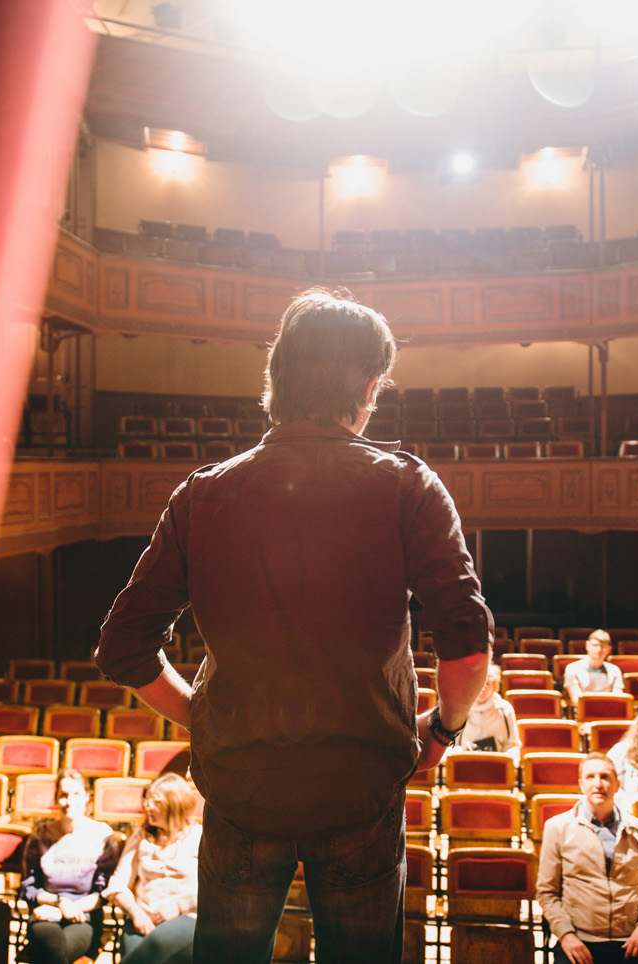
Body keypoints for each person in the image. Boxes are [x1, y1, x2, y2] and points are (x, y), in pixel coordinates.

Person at [95, 288, 493, 964]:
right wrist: (444, 728)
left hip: (242, 790)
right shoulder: (407, 486)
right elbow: (465, 642)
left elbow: (123, 646)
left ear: (276, 380)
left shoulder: (204, 493)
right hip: (360, 790)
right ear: (369, 387)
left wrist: (200, 718)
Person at [537, 752, 638, 964]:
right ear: (581, 784)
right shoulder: (558, 828)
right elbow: (547, 893)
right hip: (580, 943)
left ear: (617, 784)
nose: (598, 784)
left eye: (605, 777)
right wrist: (566, 935)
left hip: (631, 943)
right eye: (591, 777)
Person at [17, 770, 124, 964]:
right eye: (63, 795)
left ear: (87, 798)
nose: (69, 801)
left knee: (53, 953)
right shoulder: (40, 836)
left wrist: (65, 909)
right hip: (45, 913)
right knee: (51, 944)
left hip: (84, 916)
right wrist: (59, 903)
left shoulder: (103, 836)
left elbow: (103, 893)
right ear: (56, 799)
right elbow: (28, 888)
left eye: (76, 795)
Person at [103, 774, 203, 964]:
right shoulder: (141, 836)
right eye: (146, 801)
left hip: (188, 917)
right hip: (142, 918)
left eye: (156, 802)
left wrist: (179, 906)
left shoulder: (199, 837)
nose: (147, 806)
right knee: (133, 949)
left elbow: (215, 891)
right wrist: (136, 913)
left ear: (176, 804)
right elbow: (118, 884)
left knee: (152, 948)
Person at [455, 662, 520, 757]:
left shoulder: (505, 709)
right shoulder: (460, 709)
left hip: (497, 763)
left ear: (494, 687)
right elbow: (451, 745)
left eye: (487, 684)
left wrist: (510, 759)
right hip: (466, 762)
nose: (482, 689)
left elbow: (513, 745)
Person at [563, 630, 624, 703]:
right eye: (595, 645)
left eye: (603, 646)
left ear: (609, 649)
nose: (599, 650)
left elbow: (618, 699)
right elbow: (576, 701)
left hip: (609, 710)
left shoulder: (615, 670)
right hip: (583, 711)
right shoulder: (572, 668)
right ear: (587, 645)